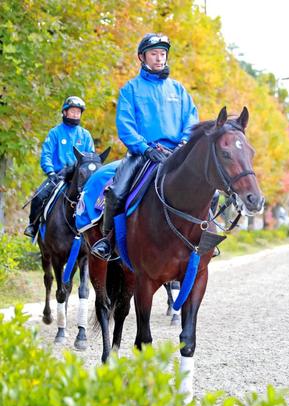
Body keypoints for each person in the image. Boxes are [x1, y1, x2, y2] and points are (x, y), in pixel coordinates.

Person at [91, 33, 199, 260]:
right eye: (153, 54)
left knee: (206, 185)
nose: (159, 58)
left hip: (177, 154)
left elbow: (191, 120)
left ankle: (203, 236)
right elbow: (125, 124)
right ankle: (108, 241)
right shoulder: (130, 89)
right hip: (144, 154)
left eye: (162, 54)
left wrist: (184, 143)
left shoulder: (179, 90)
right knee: (117, 191)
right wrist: (144, 147)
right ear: (142, 57)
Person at [24, 96, 95, 238]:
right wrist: (50, 171)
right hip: (59, 176)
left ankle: (97, 234)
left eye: (78, 112)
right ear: (64, 112)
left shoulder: (85, 135)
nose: (75, 114)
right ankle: (33, 225)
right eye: (72, 111)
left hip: (79, 178)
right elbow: (47, 154)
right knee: (39, 196)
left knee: (96, 200)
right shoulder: (55, 133)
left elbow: (91, 157)